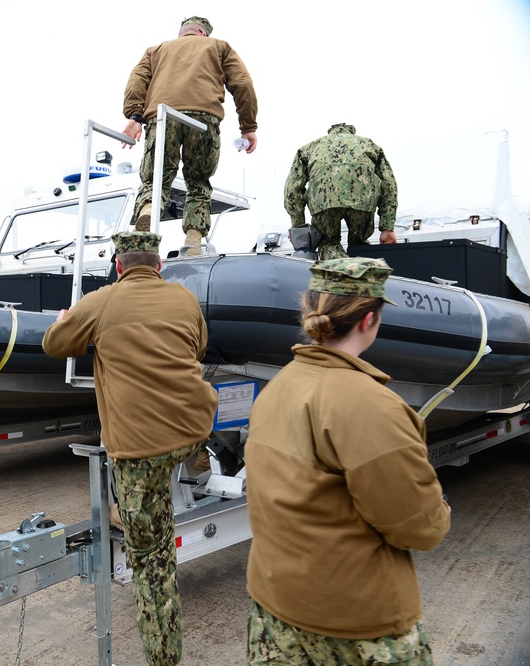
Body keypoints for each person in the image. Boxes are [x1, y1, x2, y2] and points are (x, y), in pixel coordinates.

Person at [244, 257, 451, 665]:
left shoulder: (279, 385)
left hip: (276, 609)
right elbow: (419, 528)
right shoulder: (371, 405)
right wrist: (440, 511)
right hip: (355, 625)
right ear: (368, 320)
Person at [42, 231, 219, 666]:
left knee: (153, 560)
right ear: (159, 265)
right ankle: (192, 460)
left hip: (140, 449)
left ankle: (164, 658)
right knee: (167, 459)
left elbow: (53, 344)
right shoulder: (183, 298)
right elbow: (198, 346)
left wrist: (68, 319)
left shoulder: (102, 301)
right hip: (194, 427)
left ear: (118, 267)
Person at [122, 15, 258, 256]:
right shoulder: (219, 46)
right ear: (204, 33)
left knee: (156, 180)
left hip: (163, 117)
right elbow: (242, 83)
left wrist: (134, 118)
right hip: (203, 120)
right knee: (197, 183)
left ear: (182, 33)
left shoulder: (156, 51)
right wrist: (248, 127)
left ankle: (147, 211)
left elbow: (137, 81)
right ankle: (193, 241)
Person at [284, 123, 399, 260]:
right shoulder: (369, 145)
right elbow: (389, 185)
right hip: (362, 202)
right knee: (359, 244)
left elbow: (292, 189)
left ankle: (339, 276)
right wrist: (387, 227)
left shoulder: (309, 148)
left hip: (324, 203)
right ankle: (363, 274)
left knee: (328, 244)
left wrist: (298, 227)